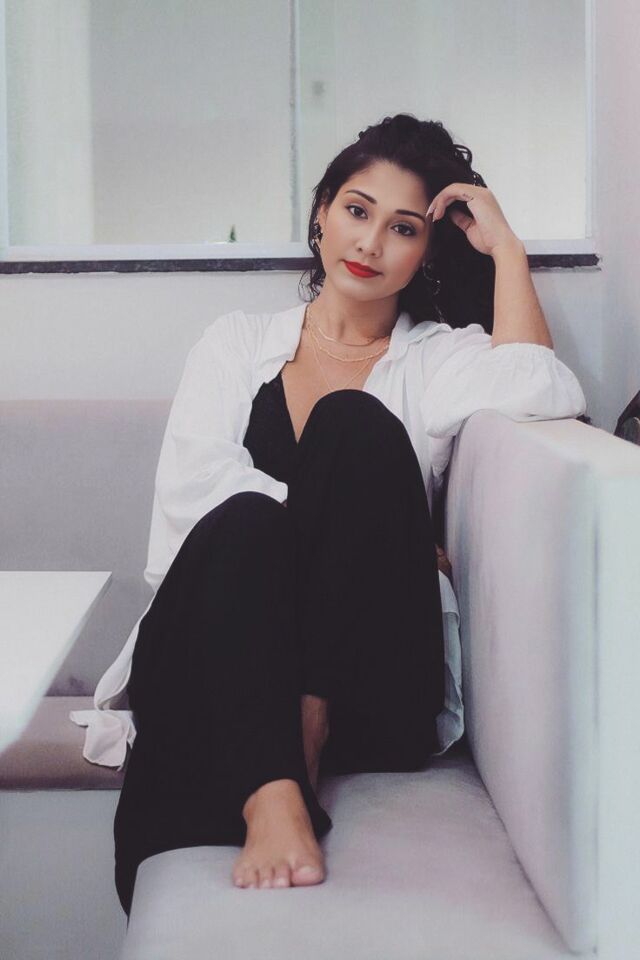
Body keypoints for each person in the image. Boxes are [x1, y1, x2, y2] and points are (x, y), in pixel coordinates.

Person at [70, 113, 587, 915]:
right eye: (356, 210)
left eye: (403, 227)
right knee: (243, 518)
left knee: (351, 425)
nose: (370, 242)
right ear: (321, 214)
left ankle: (298, 740)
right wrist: (376, 531)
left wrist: (508, 251)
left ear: (425, 252)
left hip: (368, 691)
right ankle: (274, 788)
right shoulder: (236, 344)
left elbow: (544, 389)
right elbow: (193, 503)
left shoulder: (435, 359)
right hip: (224, 661)